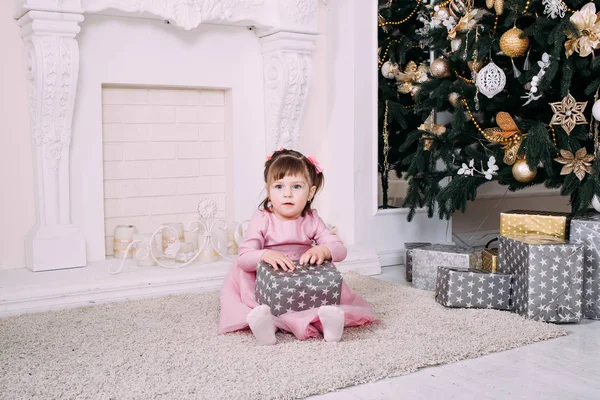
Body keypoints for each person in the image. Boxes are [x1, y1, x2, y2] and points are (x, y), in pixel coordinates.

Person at [218, 149, 378, 345]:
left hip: (302, 279)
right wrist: (265, 254)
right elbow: (244, 257)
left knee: (327, 297)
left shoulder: (311, 219)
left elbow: (340, 249)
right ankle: (266, 325)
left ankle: (329, 324)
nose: (287, 193)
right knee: (250, 294)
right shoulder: (263, 219)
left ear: (310, 192)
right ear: (268, 191)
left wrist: (323, 250)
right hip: (267, 278)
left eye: (296, 186)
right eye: (279, 186)